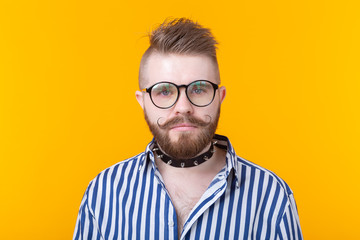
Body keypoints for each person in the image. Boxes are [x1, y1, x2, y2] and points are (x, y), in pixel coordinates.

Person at [73, 18, 303, 240]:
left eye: (199, 89)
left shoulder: (271, 196)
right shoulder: (104, 192)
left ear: (219, 97)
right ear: (142, 101)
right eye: (164, 91)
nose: (183, 108)